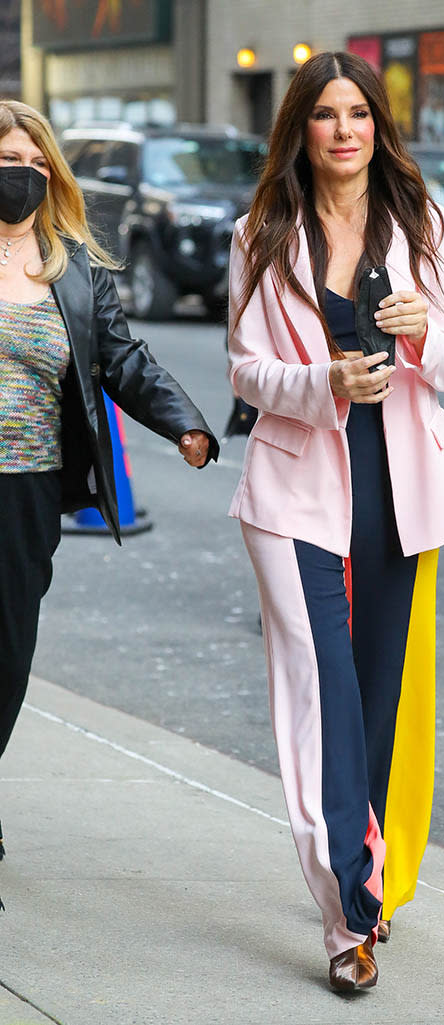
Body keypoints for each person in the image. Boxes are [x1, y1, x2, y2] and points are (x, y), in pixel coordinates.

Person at [228, 51, 444, 991]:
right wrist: (322, 381)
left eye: (359, 114)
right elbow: (246, 369)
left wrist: (416, 331)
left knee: (372, 705)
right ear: (302, 127)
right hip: (295, 490)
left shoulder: (424, 223)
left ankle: (360, 872)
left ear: (380, 125)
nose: (343, 131)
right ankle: (345, 922)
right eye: (326, 115)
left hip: (398, 486)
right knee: (319, 698)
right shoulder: (264, 229)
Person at [0, 101, 219, 790]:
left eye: (38, 164)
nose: (26, 177)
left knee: (6, 661)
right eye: (10, 162)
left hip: (25, 489)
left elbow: (124, 360)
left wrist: (183, 421)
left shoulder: (74, 268)